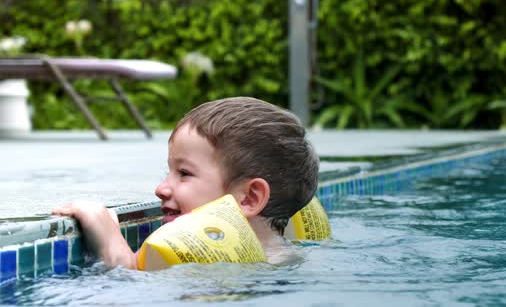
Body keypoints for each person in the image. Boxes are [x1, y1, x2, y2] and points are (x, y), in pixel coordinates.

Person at [52, 97, 319, 269]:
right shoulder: (286, 258)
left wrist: (113, 248)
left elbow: (129, 290)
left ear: (248, 198)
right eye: (169, 171)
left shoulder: (220, 269)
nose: (161, 189)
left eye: (184, 173)